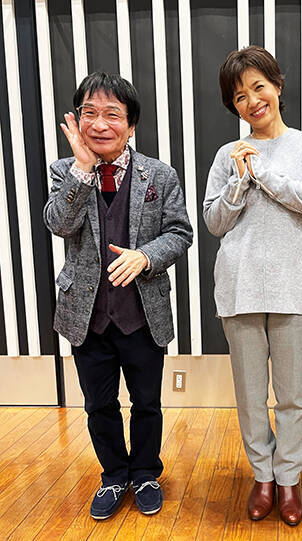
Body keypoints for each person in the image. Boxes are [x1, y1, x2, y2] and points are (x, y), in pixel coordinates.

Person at [44, 72, 192, 520]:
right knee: (98, 405)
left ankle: (145, 473)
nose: (99, 124)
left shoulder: (159, 174)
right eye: (89, 113)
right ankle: (113, 476)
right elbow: (59, 223)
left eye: (112, 114)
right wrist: (82, 170)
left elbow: (180, 233)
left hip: (142, 314)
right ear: (77, 120)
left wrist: (145, 257)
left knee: (147, 403)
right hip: (86, 316)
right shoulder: (64, 171)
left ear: (131, 124)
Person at [204, 46, 302, 526]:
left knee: (293, 393)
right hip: (238, 286)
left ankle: (288, 479)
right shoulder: (228, 155)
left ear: (277, 86)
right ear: (233, 106)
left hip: (292, 287)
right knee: (250, 393)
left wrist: (262, 172)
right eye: (239, 96)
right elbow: (214, 222)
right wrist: (239, 180)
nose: (252, 101)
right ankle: (262, 476)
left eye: (258, 87)